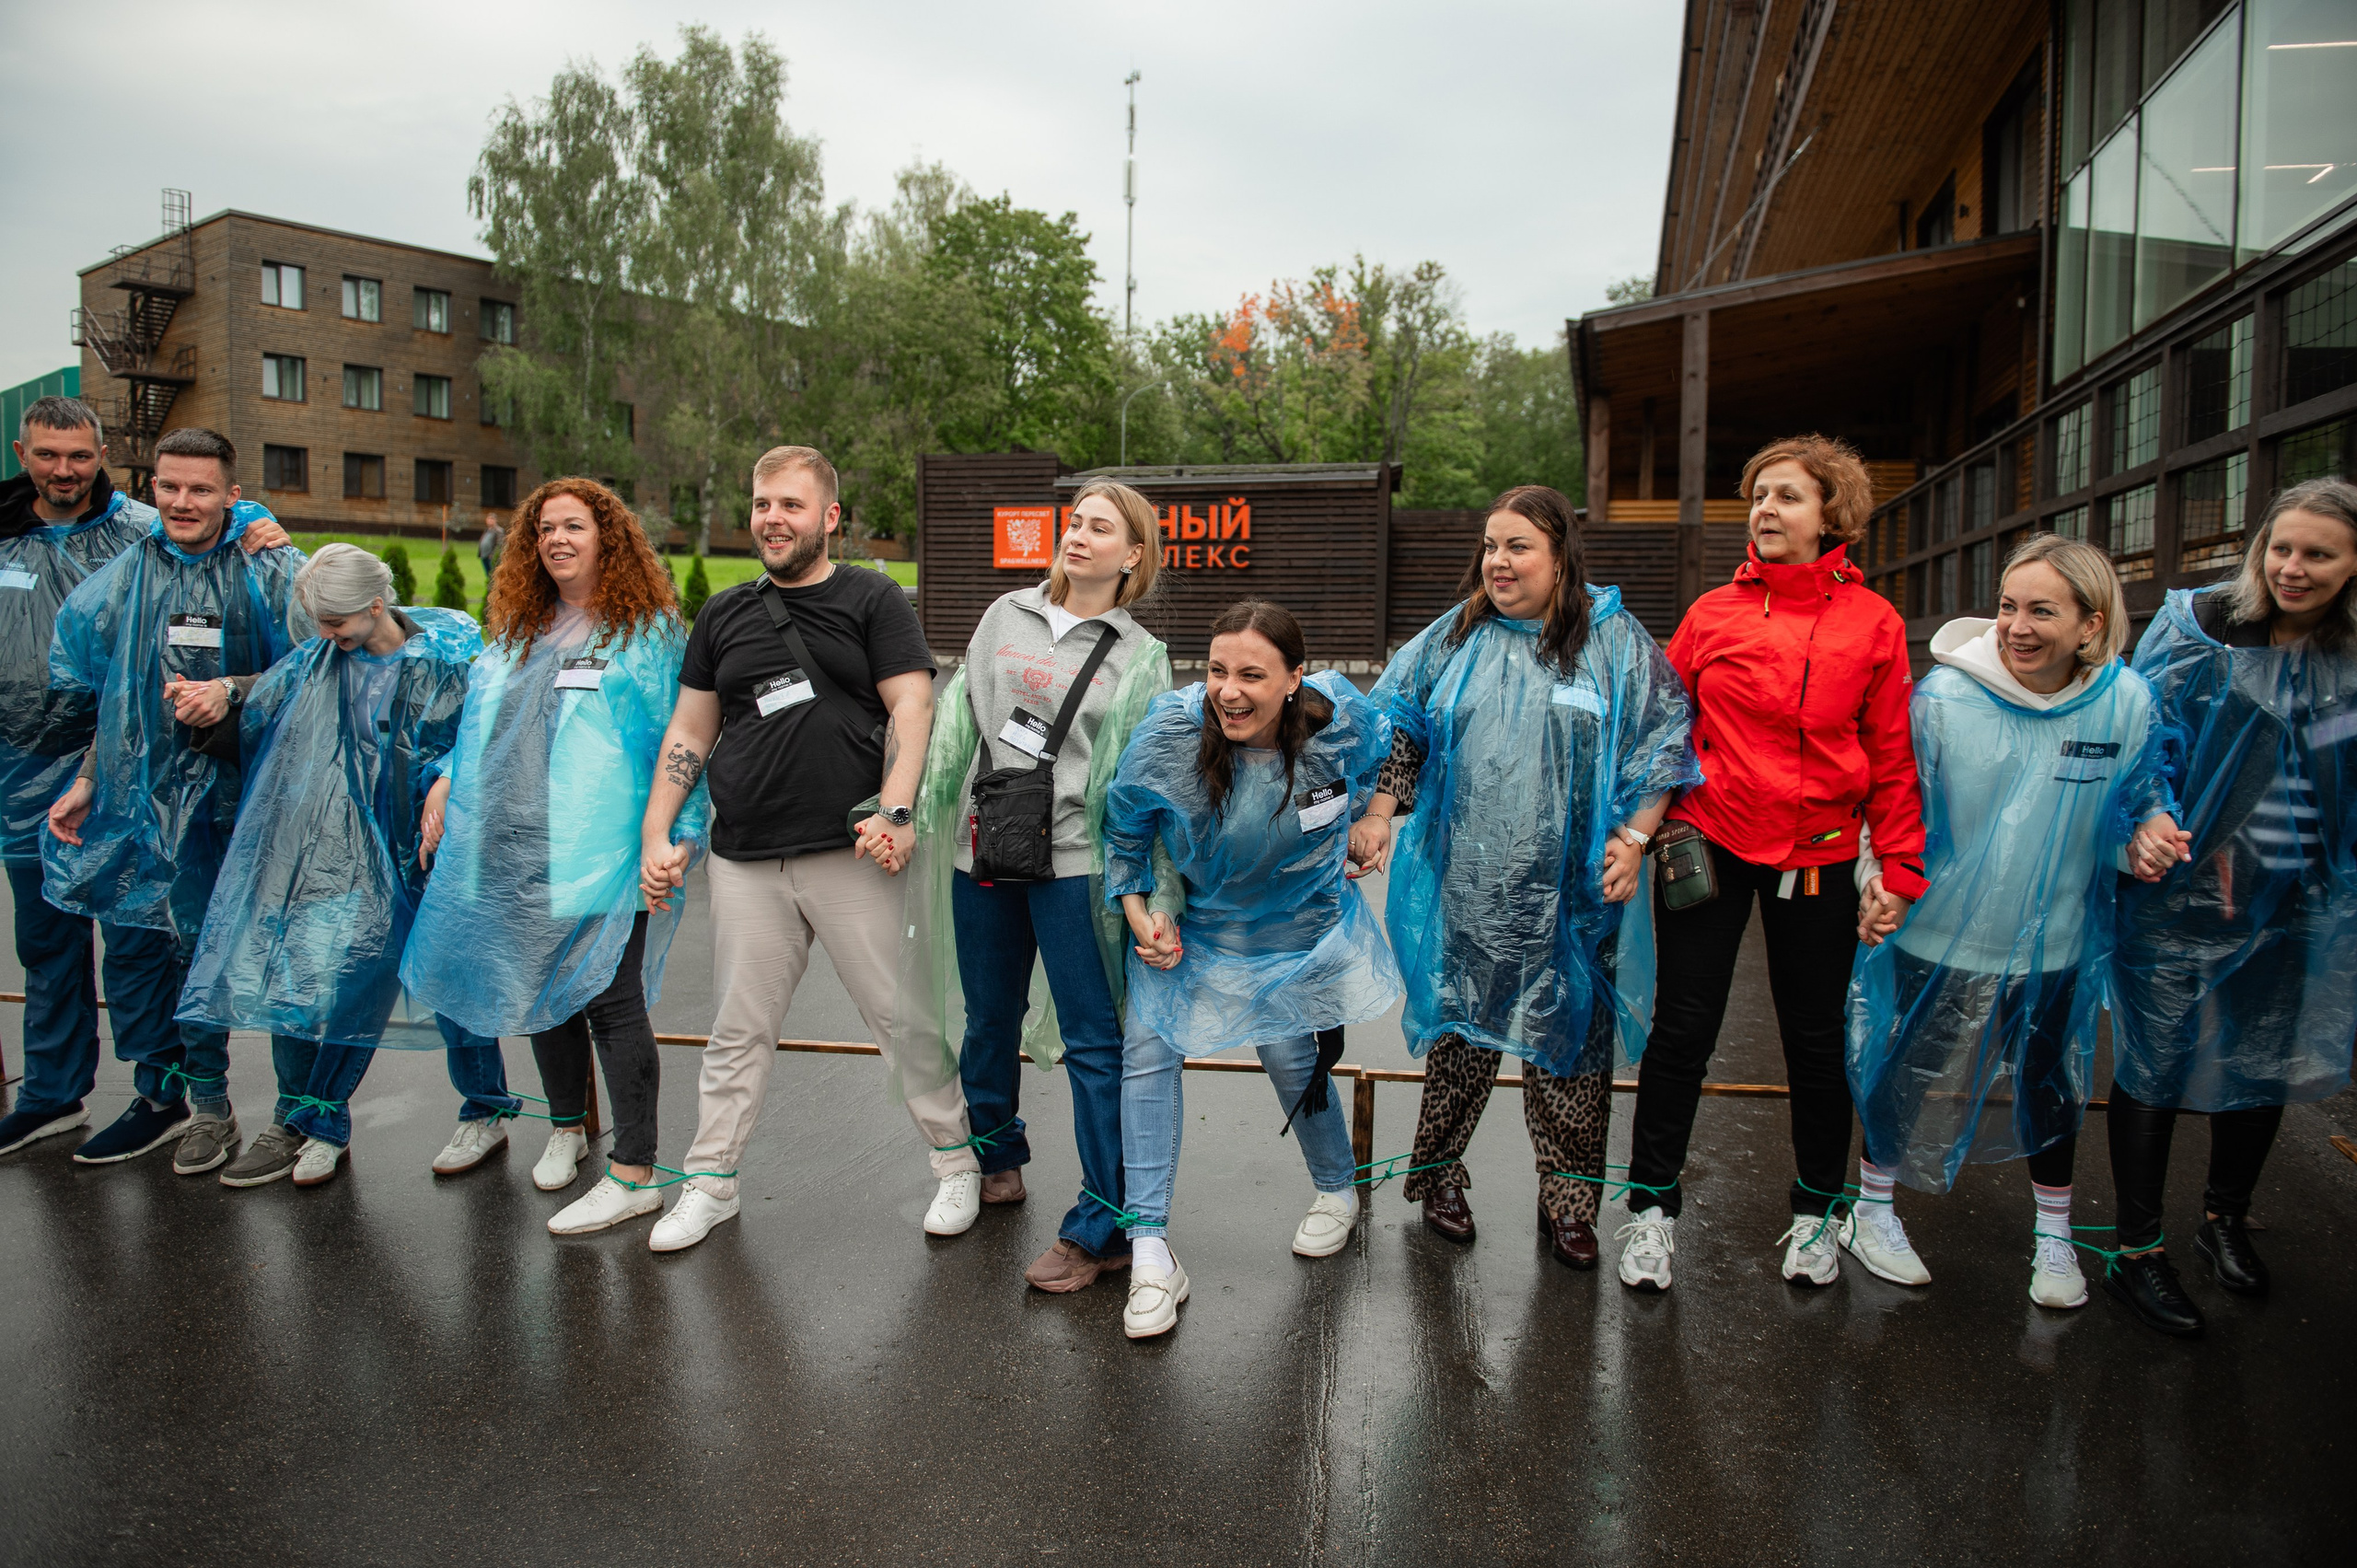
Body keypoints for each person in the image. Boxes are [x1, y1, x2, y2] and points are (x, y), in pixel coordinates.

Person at [1618, 433, 1930, 1293]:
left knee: (1816, 1039)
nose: (1764, 510)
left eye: (1787, 496)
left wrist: (1897, 870)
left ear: (1833, 513)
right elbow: (1659, 735)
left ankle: (1817, 1215)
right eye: (1757, 495)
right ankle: (1650, 1212)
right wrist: (1630, 833)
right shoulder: (1712, 613)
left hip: (1821, 855)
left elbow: (1893, 756)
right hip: (1707, 840)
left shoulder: (1875, 624)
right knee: (1681, 1031)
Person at [636, 446, 967, 1255]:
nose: (771, 519)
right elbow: (690, 728)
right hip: (746, 855)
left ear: (829, 518)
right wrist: (659, 829)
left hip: (851, 850)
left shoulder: (871, 597)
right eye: (760, 505)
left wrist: (897, 809)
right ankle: (710, 1180)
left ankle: (956, 1161)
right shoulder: (722, 613)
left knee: (899, 1016)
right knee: (736, 1029)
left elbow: (913, 706)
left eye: (789, 504)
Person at [1355, 485, 1697, 1268]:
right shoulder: (1456, 635)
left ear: (1559, 555)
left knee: (1569, 1048)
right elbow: (1402, 726)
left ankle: (1569, 1203)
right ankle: (1438, 1178)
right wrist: (1379, 812)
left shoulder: (1613, 642)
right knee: (1461, 1043)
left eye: (1518, 547)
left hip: (1573, 896)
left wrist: (1635, 839)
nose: (1498, 562)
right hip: (1470, 885)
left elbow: (1663, 744)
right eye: (1490, 546)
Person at [1845, 535, 2183, 1309]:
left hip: (2056, 943)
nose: (2016, 626)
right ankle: (1871, 1210)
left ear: (2092, 624)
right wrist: (1877, 882)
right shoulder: (1944, 699)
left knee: (2052, 1083)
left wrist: (2149, 842)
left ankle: (2056, 1237)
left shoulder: (2124, 703)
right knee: (1906, 1071)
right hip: (1936, 934)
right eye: (2007, 606)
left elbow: (2130, 812)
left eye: (2041, 610)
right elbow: (1893, 808)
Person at [402, 478, 708, 1237]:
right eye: (544, 530)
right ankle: (569, 1126)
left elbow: (685, 737)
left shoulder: (650, 633)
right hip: (514, 843)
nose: (557, 540)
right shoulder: (517, 629)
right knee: (537, 981)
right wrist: (446, 778)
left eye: (573, 526)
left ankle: (634, 1167)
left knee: (610, 998)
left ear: (608, 537)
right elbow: (480, 727)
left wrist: (678, 832)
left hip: (601, 845)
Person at [896, 477, 1173, 1292]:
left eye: (1101, 528)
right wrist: (907, 811)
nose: (1079, 536)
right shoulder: (1002, 615)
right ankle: (994, 1157)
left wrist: (1153, 889)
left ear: (1133, 556)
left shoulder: (1139, 656)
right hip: (981, 849)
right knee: (988, 1016)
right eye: (1075, 522)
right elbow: (956, 728)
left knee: (1095, 1038)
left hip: (1077, 864)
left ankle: (1108, 1215)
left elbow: (1143, 782)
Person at [1103, 599, 1400, 1339]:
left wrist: (1375, 815)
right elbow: (1126, 834)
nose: (1228, 691)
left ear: (1296, 678)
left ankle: (1339, 1189)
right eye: (1216, 671)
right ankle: (1148, 1252)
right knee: (1146, 1053)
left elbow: (1396, 744)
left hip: (1297, 929)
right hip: (1195, 928)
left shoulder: (1340, 723)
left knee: (1290, 1053)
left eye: (1251, 675)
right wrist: (1142, 914)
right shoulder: (1173, 735)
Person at [176, 544, 517, 1187]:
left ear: (376, 605)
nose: (326, 636)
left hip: (431, 847)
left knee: (453, 988)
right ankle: (323, 1121)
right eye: (320, 624)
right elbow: (264, 699)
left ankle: (485, 1109)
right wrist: (219, 694)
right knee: (345, 986)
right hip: (348, 854)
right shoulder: (322, 658)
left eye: (336, 623)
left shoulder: (446, 656)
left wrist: (446, 778)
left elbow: (487, 732)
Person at [2104, 477, 2357, 1337]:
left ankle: (2224, 1220)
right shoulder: (2201, 627)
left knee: (2258, 1063)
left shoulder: (2350, 655)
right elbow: (2142, 736)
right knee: (2154, 1063)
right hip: (2180, 893)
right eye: (2280, 547)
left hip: (2292, 897)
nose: (2292, 567)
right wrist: (2153, 816)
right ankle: (2136, 1250)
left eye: (2318, 554)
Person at [0, 401, 285, 1157]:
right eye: (169, 488)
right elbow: (116, 688)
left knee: (232, 951)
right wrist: (96, 773)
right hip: (121, 788)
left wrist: (232, 687)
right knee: (123, 945)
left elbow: (321, 659)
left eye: (200, 490)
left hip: (230, 790)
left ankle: (293, 1118)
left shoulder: (246, 556)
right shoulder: (122, 561)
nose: (183, 502)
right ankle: (172, 1103)